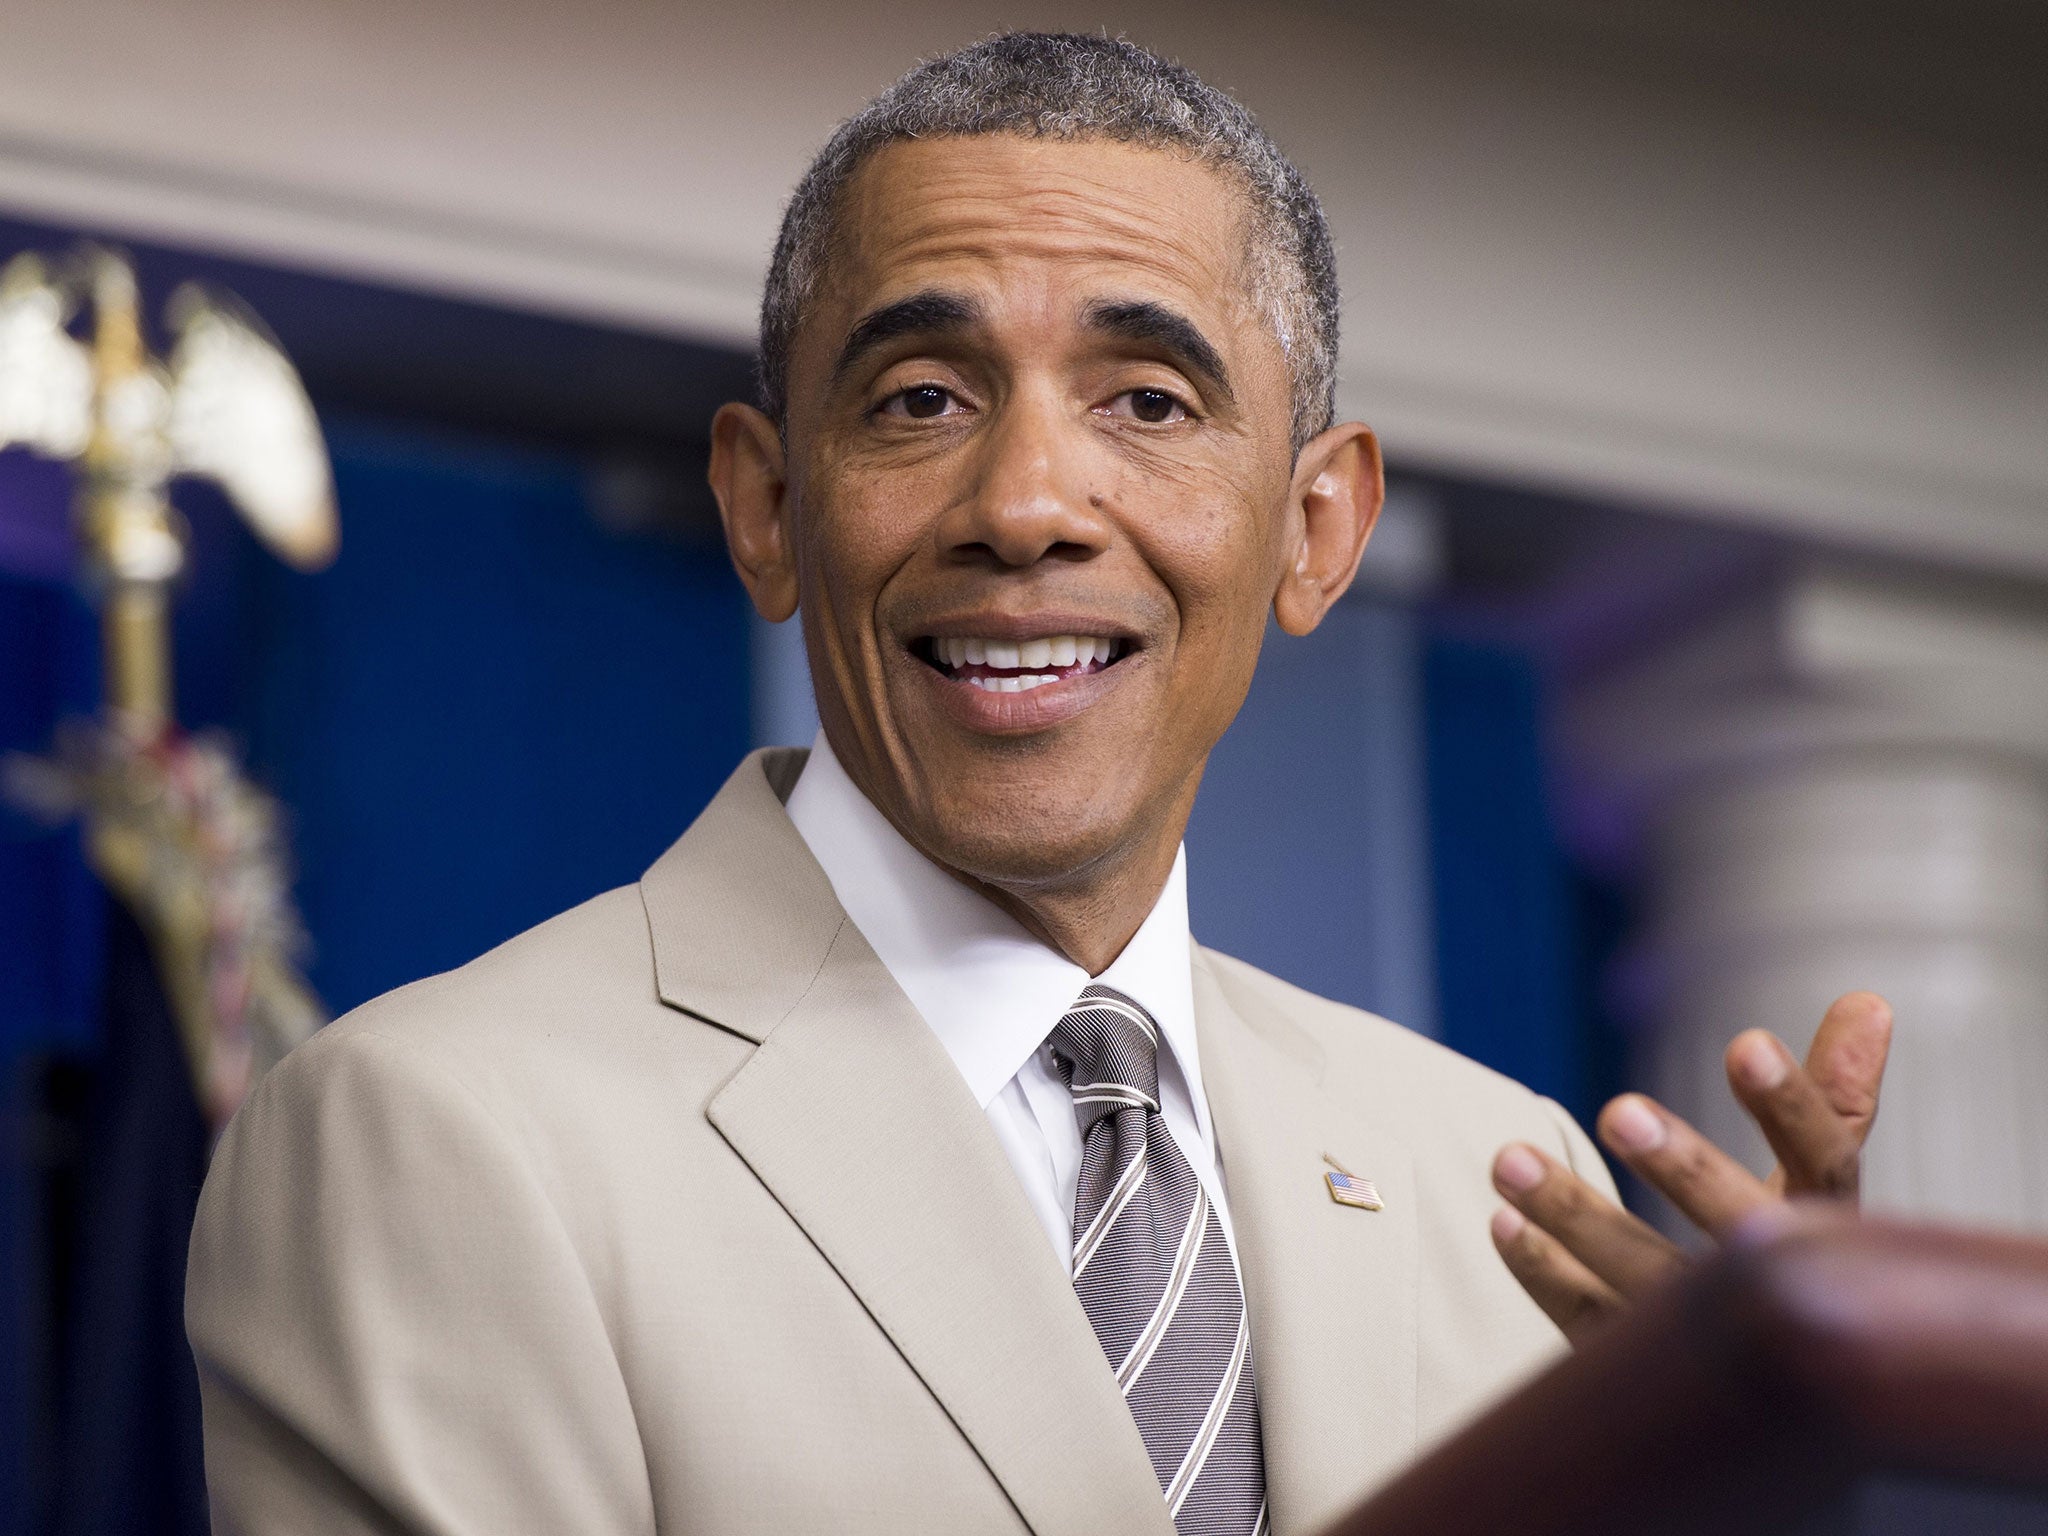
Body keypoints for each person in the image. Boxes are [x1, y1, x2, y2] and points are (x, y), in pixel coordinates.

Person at [186, 32, 1892, 1536]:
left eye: (1147, 399)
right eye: (923, 398)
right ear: (770, 508)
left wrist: (1805, 1469)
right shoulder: (433, 1133)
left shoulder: (1497, 1181)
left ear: (1316, 531)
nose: (1027, 501)